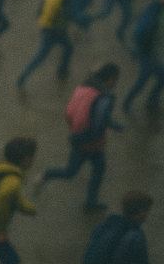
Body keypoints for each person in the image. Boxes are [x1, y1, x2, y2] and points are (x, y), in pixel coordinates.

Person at [34, 63, 122, 212]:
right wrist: (113, 128)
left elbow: (70, 111)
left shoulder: (83, 87)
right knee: (97, 171)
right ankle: (90, 203)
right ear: (112, 79)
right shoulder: (106, 97)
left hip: (77, 138)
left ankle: (46, 175)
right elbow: (101, 120)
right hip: (92, 141)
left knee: (71, 171)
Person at [16, 0, 91, 87]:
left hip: (48, 28)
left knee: (65, 49)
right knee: (44, 55)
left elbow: (41, 7)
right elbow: (72, 14)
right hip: (57, 30)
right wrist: (84, 23)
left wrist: (41, 22)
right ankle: (24, 76)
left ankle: (60, 71)